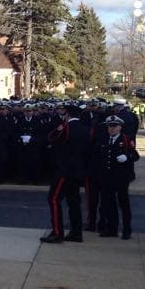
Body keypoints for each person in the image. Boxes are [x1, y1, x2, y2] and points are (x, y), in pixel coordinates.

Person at [40, 104, 90, 243]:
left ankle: (57, 232)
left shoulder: (66, 128)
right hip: (78, 171)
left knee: (54, 199)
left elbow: (52, 138)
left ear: (67, 114)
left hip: (64, 170)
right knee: (73, 201)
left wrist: (60, 128)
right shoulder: (86, 129)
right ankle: (76, 232)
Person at [93, 115, 140, 239]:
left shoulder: (125, 139)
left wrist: (127, 157)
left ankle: (126, 230)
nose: (112, 129)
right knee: (109, 204)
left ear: (120, 127)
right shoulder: (104, 139)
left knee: (123, 204)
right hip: (107, 177)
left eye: (114, 126)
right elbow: (99, 157)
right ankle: (111, 228)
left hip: (121, 178)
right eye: (110, 126)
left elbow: (135, 155)